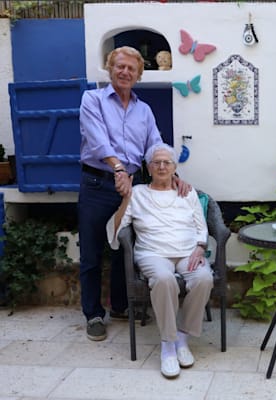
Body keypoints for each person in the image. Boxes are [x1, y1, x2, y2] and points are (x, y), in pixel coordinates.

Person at [79, 46, 186, 342]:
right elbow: (97, 140)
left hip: (131, 185)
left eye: (131, 69)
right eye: (120, 66)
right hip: (98, 183)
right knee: (92, 252)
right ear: (110, 69)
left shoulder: (144, 110)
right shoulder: (92, 99)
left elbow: (155, 145)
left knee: (124, 247)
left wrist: (172, 175)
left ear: (138, 75)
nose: (125, 72)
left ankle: (120, 305)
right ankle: (93, 314)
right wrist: (118, 169)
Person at [107, 143, 213, 379]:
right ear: (149, 167)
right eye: (157, 162)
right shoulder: (138, 193)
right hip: (152, 253)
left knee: (204, 278)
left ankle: (182, 338)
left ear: (174, 167)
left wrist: (200, 246)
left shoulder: (187, 192)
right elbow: (117, 230)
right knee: (164, 279)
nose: (162, 166)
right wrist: (125, 199)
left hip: (187, 252)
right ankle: (168, 345)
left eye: (167, 162)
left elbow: (201, 226)